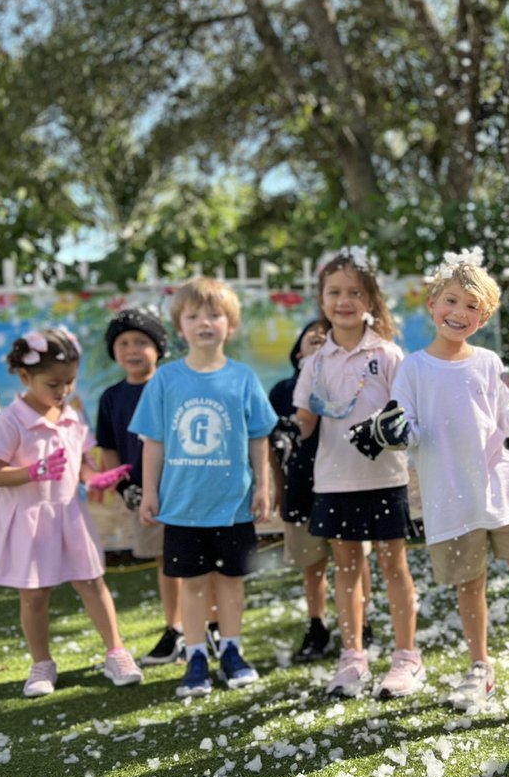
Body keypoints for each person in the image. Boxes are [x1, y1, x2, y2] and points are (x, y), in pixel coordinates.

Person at [358, 250, 509, 713]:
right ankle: (480, 667)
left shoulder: (485, 362)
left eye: (471, 307)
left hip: (500, 489)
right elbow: (408, 429)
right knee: (470, 584)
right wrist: (398, 431)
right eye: (451, 301)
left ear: (482, 318)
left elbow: (504, 421)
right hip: (449, 498)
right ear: (432, 303)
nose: (459, 313)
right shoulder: (414, 369)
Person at [130, 276, 277, 698]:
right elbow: (153, 442)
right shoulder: (165, 380)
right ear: (180, 328)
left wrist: (263, 487)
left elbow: (258, 437)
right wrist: (151, 491)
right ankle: (195, 656)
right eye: (193, 316)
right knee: (192, 584)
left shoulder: (243, 378)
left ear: (230, 324)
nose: (204, 323)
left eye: (214, 314)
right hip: (182, 506)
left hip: (232, 506)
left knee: (231, 581)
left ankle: (231, 650)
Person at [0, 327, 144, 698]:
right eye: (54, 383)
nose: (63, 390)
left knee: (92, 582)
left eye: (70, 382)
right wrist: (33, 471)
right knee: (35, 595)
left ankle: (116, 652)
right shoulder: (9, 421)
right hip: (29, 520)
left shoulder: (71, 415)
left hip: (69, 515)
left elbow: (82, 465)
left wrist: (98, 479)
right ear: (25, 377)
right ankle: (42, 663)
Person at [293, 249, 423, 699]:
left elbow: (406, 415)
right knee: (346, 568)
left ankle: (406, 657)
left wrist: (391, 427)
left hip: (385, 479)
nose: (343, 301)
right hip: (333, 481)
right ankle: (353, 656)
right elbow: (305, 421)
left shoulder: (388, 354)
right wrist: (288, 429)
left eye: (354, 292)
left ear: (370, 301)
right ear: (322, 300)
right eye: (334, 293)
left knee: (393, 566)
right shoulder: (314, 362)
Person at [95, 307, 221, 666]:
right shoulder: (111, 397)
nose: (132, 350)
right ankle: (175, 628)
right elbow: (108, 447)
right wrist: (124, 486)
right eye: (123, 343)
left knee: (202, 556)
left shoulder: (174, 385)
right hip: (144, 496)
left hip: (186, 488)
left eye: (141, 342)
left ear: (159, 348)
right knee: (166, 561)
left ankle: (212, 624)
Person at [268, 319, 374, 664]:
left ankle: (362, 622)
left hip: (348, 483)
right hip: (302, 487)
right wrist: (278, 489)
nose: (319, 341)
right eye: (311, 338)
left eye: (325, 338)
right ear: (297, 351)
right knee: (311, 563)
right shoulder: (282, 391)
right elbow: (275, 445)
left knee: (355, 560)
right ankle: (317, 626)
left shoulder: (352, 380)